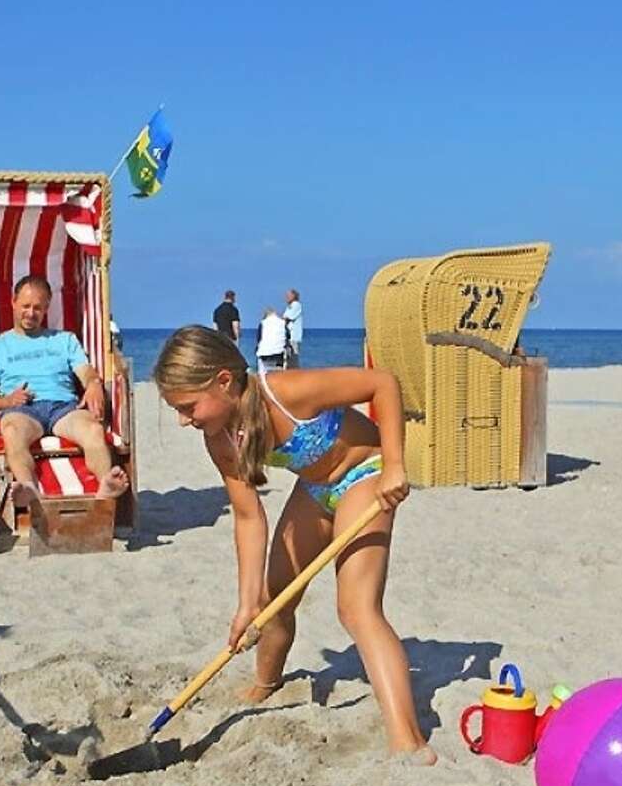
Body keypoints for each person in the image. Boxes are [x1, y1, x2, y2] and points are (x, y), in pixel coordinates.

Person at [152, 326, 433, 763]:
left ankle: (408, 740)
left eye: (188, 407)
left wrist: (396, 464)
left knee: (356, 608)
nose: (183, 420)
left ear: (224, 381)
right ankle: (266, 684)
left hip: (366, 477)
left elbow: (383, 383)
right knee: (272, 602)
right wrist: (246, 606)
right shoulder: (220, 438)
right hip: (316, 489)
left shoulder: (285, 391)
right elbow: (248, 518)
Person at [0, 275, 129, 501]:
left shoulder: (64, 340)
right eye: (25, 306)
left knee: (93, 430)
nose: (31, 313)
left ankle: (106, 484)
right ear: (13, 303)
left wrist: (93, 383)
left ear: (47, 308)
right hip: (22, 410)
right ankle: (29, 487)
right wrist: (9, 400)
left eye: (38, 308)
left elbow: (84, 370)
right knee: (13, 432)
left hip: (63, 407)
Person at [282, 288, 304, 368]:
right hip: (288, 336)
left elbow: (288, 317)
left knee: (293, 357)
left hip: (293, 336)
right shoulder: (290, 306)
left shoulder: (296, 305)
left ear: (294, 296)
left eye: (288, 295)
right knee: (288, 357)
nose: (286, 297)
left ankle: (295, 374)